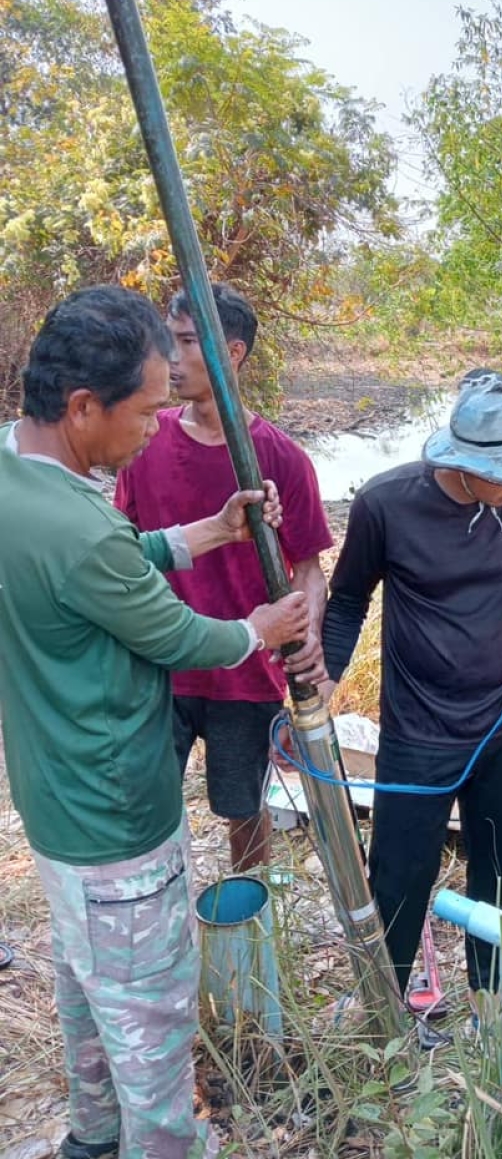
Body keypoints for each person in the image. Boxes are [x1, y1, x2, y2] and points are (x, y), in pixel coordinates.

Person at [0, 285, 309, 1159]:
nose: (151, 430)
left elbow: (103, 562)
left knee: (85, 991)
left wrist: (204, 534)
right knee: (151, 1024)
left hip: (57, 806)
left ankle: (92, 1140)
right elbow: (176, 632)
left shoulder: (19, 480)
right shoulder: (78, 525)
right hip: (116, 816)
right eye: (142, 412)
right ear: (82, 405)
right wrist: (262, 627)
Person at [315, 370, 502, 999]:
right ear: (462, 462)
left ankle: (492, 1003)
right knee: (400, 874)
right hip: (421, 730)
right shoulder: (386, 505)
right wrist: (324, 678)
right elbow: (348, 599)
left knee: (501, 871)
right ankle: (382, 1010)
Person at [115, 283, 333, 872]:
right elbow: (120, 549)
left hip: (247, 674)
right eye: (169, 340)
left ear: (231, 352)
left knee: (244, 811)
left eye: (186, 342)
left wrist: (307, 631)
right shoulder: (144, 441)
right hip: (160, 666)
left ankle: (249, 931)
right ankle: (158, 918)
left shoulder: (280, 457)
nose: (171, 357)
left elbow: (309, 567)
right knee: (145, 810)